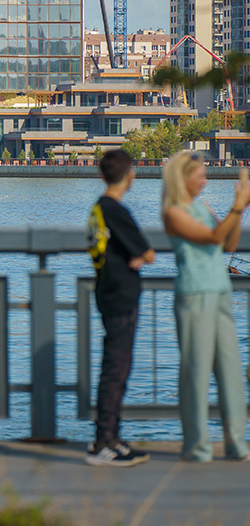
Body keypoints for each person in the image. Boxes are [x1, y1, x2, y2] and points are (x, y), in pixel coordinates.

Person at [161, 150, 250, 462]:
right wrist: (236, 208)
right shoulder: (173, 212)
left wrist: (238, 211)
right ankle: (197, 446)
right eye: (200, 175)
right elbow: (213, 237)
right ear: (183, 178)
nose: (205, 180)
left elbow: (230, 244)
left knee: (230, 372)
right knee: (196, 372)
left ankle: (236, 443)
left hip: (220, 292)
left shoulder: (202, 206)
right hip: (194, 295)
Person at [84, 149, 156, 467]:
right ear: (131, 175)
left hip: (106, 292)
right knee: (116, 369)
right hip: (122, 297)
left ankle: (110, 436)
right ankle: (104, 441)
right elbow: (148, 252)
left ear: (102, 176)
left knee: (114, 367)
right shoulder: (116, 210)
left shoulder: (97, 209)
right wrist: (140, 257)